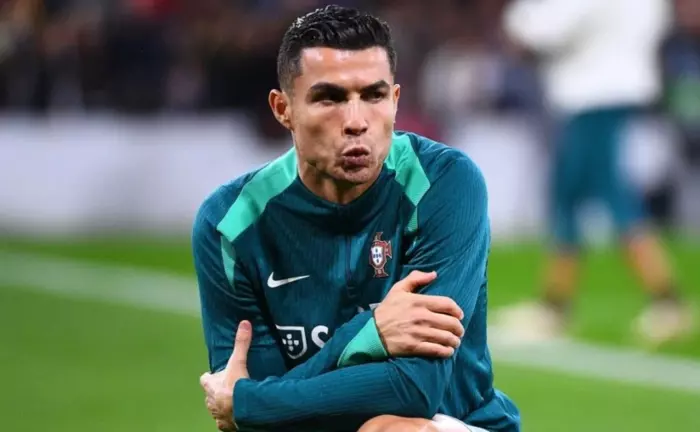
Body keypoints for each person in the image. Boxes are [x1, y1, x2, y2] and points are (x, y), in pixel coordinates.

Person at [193, 5, 520, 432]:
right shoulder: (230, 224)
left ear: (396, 101)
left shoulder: (443, 184)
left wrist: (252, 403)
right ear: (283, 108)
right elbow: (262, 419)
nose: (355, 122)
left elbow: (416, 389)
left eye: (373, 96)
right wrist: (370, 333)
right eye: (329, 98)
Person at [497, 0, 694, 345]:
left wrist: (520, 17)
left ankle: (667, 301)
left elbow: (541, 28)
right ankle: (555, 304)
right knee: (574, 193)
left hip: (592, 95)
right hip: (614, 90)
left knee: (603, 193)